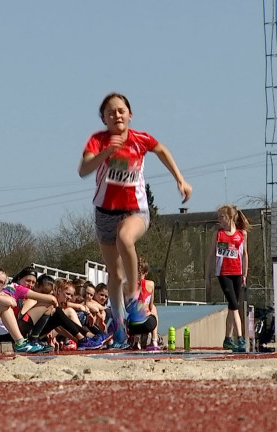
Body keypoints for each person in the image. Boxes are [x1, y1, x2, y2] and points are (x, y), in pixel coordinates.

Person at [78, 92, 192, 348]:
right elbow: (83, 170)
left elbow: (161, 150)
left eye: (121, 110)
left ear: (129, 114)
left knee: (125, 237)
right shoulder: (98, 141)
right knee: (114, 274)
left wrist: (180, 179)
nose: (116, 115)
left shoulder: (141, 139)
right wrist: (104, 153)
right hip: (105, 212)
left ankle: (133, 298)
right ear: (104, 119)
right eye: (110, 112)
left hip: (135, 210)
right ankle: (117, 322)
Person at [205, 204, 250, 353]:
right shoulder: (218, 234)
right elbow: (211, 255)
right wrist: (207, 277)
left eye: (222, 217)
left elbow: (244, 255)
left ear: (230, 217)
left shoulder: (241, 234)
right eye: (218, 217)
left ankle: (227, 339)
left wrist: (244, 274)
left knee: (232, 307)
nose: (219, 220)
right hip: (223, 273)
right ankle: (240, 337)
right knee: (234, 304)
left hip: (237, 272)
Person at [131, 258, 160, 350]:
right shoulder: (150, 284)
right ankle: (154, 340)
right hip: (147, 323)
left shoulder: (128, 285)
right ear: (146, 272)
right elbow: (151, 305)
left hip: (132, 326)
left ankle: (136, 340)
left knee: (134, 309)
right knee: (153, 309)